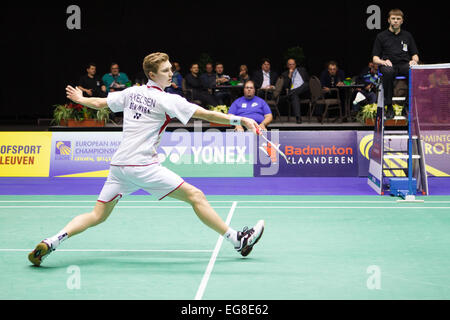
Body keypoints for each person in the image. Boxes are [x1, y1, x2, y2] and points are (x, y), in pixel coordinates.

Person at [28, 52, 265, 267]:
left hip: (119, 167)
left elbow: (101, 103)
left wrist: (80, 99)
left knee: (97, 215)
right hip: (142, 165)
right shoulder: (167, 100)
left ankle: (51, 241)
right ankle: (238, 240)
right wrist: (239, 120)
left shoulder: (132, 92)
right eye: (165, 71)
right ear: (153, 74)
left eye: (171, 68)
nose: (171, 73)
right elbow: (202, 113)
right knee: (196, 196)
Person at [372, 8, 419, 119]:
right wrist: (382, 61)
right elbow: (375, 58)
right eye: (393, 19)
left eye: (398, 19)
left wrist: (414, 61)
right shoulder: (381, 36)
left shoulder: (407, 36)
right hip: (389, 64)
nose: (395, 21)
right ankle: (389, 107)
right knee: (387, 72)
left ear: (402, 21)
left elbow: (415, 54)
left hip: (403, 64)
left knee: (414, 72)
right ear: (389, 20)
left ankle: (406, 107)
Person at [281, 58, 310, 124]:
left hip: (304, 92)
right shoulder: (285, 74)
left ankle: (290, 94)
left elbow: (308, 81)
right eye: (290, 64)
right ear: (287, 65)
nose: (291, 66)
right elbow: (285, 86)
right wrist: (289, 77)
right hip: (294, 93)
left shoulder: (302, 70)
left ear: (295, 65)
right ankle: (298, 118)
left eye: (293, 64)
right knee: (294, 96)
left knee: (306, 84)